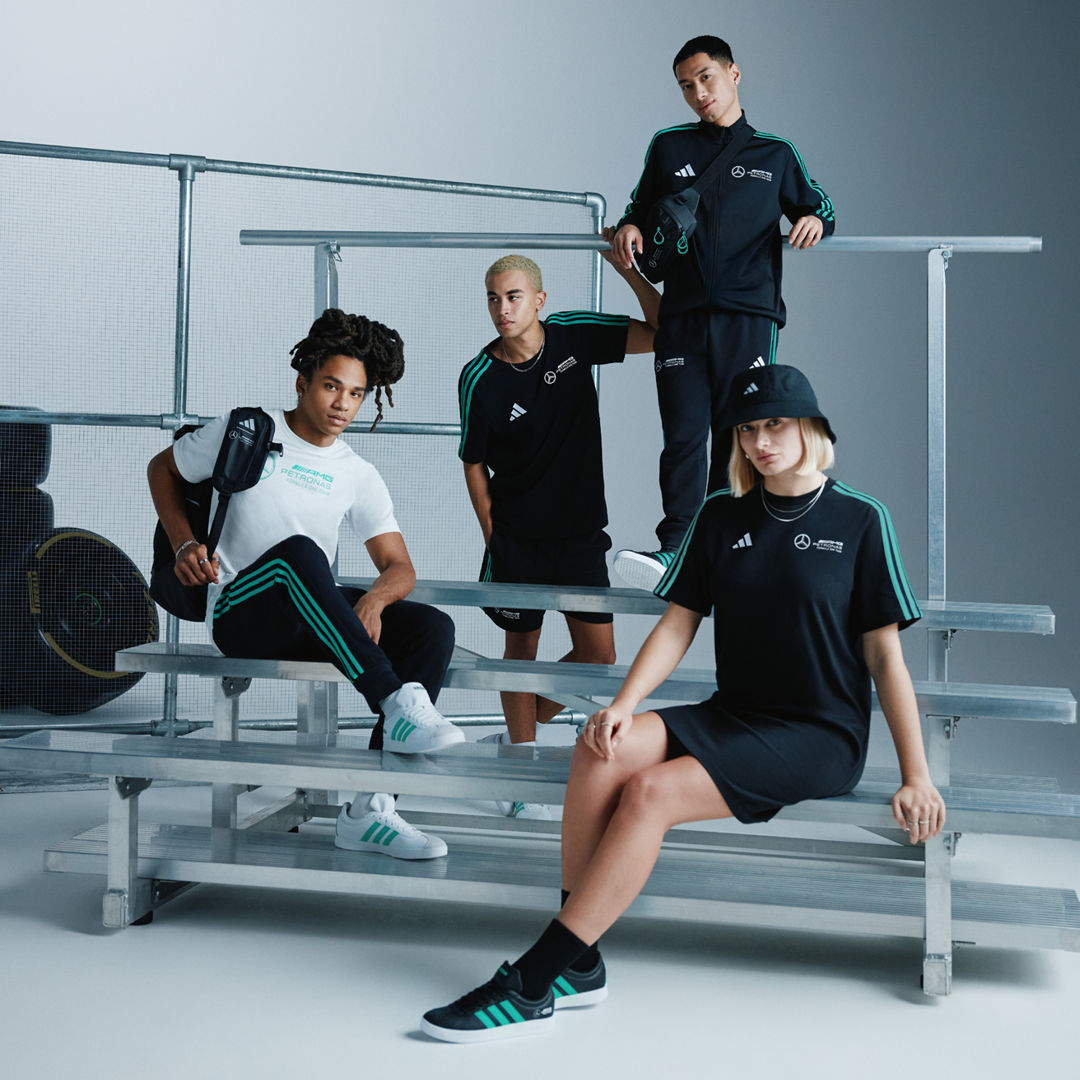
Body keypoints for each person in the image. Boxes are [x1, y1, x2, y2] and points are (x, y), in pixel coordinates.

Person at [421, 364, 944, 1041]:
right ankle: (579, 961)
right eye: (749, 429)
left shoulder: (862, 519)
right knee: (601, 745)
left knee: (650, 794)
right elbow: (679, 622)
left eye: (775, 424)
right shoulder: (722, 516)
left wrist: (918, 774)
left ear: (812, 428)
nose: (760, 441)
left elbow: (884, 658)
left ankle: (534, 977)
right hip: (734, 714)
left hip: (817, 733)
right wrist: (623, 704)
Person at [147, 308, 462, 860]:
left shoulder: (357, 473)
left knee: (432, 627)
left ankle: (372, 809)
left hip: (310, 615)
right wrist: (182, 545)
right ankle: (393, 700)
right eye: (332, 386)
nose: (343, 404)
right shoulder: (247, 431)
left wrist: (375, 599)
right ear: (303, 382)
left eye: (357, 394)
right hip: (241, 610)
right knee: (299, 553)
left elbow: (400, 566)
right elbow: (163, 469)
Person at [610, 34, 836, 590]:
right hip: (683, 318)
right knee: (683, 435)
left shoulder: (774, 153)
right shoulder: (668, 146)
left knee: (739, 433)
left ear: (734, 74)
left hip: (749, 316)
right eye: (687, 86)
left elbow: (818, 204)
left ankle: (732, 543)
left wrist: (816, 222)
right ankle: (676, 549)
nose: (698, 94)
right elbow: (636, 209)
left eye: (705, 78)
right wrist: (632, 227)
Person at [459, 238, 659, 819]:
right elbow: (473, 460)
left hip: (579, 535)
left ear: (540, 300)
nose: (503, 309)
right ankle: (519, 769)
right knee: (520, 650)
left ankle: (510, 731)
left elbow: (663, 329)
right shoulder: (479, 376)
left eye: (515, 297)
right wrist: (492, 533)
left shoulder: (572, 334)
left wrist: (630, 272)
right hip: (517, 538)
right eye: (494, 299)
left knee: (598, 658)